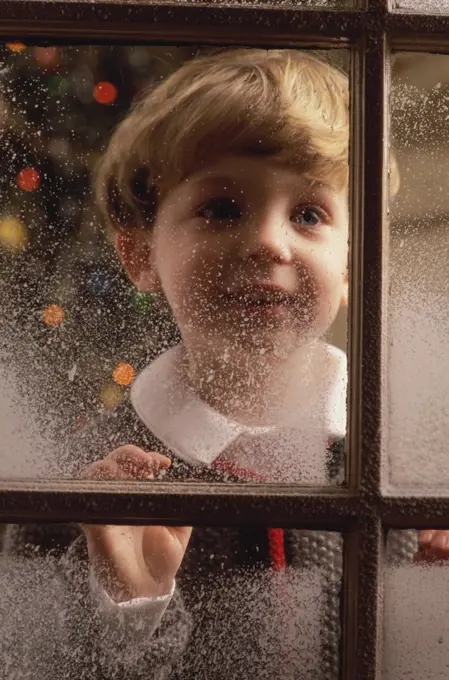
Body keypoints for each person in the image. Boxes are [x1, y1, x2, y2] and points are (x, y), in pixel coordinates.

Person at [2, 47, 438, 680]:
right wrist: (133, 610)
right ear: (140, 253)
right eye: (221, 209)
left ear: (353, 265)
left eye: (310, 214)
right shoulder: (83, 487)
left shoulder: (412, 461)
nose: (268, 240)